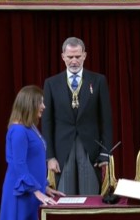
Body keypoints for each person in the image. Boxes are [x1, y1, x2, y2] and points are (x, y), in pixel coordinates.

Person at [0, 85, 64, 220]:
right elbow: (18, 165)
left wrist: (46, 187)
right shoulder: (18, 130)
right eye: (40, 102)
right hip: (20, 192)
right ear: (30, 104)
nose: (43, 106)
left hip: (30, 189)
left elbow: (32, 162)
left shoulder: (30, 127)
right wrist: (37, 192)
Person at [42, 37, 113, 195]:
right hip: (62, 151)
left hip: (91, 150)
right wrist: (50, 156)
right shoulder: (51, 84)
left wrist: (105, 152)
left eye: (77, 57)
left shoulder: (98, 80)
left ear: (85, 56)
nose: (74, 61)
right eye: (70, 57)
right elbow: (47, 122)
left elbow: (106, 120)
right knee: (65, 199)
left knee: (90, 198)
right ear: (63, 57)